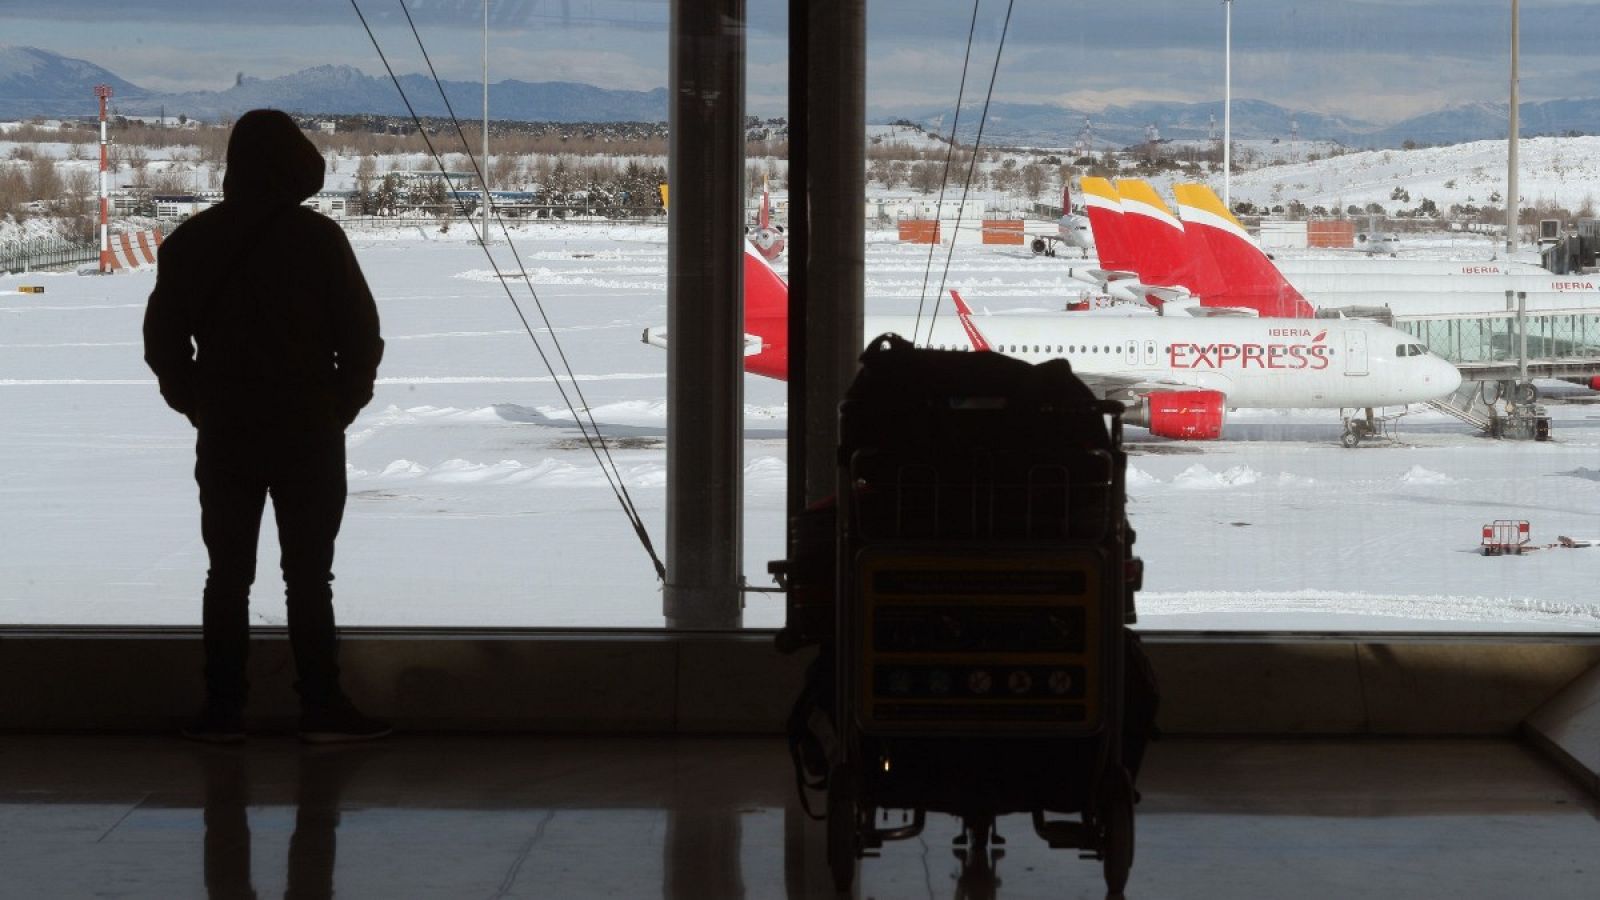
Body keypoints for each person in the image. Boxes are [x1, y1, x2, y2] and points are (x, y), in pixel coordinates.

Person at [144, 109, 388, 743]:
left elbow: (164, 344)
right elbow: (361, 336)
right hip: (308, 429)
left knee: (227, 572)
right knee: (310, 574)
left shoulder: (191, 242)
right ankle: (322, 706)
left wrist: (198, 402)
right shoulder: (320, 240)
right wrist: (342, 404)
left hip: (227, 431)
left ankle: (224, 709)